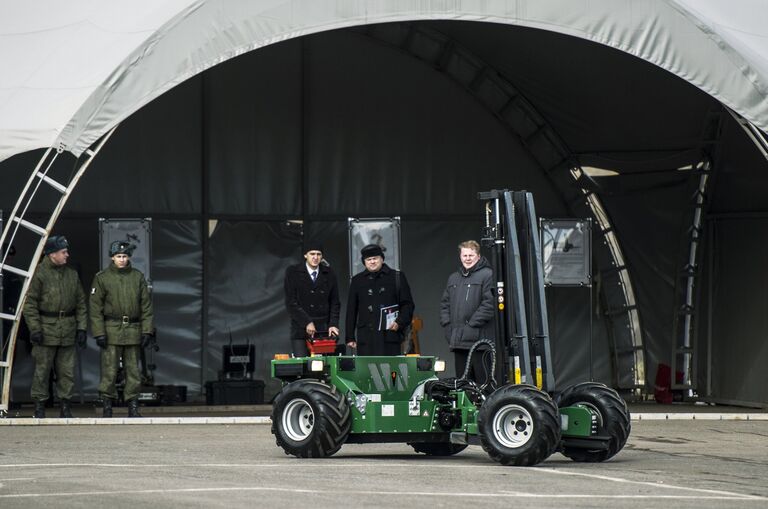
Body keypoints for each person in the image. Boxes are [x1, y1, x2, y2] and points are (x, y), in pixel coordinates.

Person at [23, 235, 87, 418]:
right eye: (63, 252)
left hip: (67, 328)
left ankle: (65, 406)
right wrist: (34, 329)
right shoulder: (39, 274)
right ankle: (39, 406)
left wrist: (82, 328)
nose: (67, 255)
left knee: (66, 371)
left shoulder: (72, 274)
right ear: (52, 254)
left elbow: (81, 304)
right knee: (42, 370)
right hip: (45, 329)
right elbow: (30, 305)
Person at [90, 241, 154, 418]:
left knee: (133, 370)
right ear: (112, 257)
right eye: (118, 256)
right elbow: (95, 308)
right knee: (109, 370)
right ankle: (107, 405)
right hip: (111, 329)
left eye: (125, 256)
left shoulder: (137, 277)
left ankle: (133, 406)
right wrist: (99, 332)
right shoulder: (102, 278)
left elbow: (146, 306)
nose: (122, 259)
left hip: (133, 328)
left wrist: (147, 331)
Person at [440, 240, 495, 384]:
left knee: (483, 383)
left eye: (471, 255)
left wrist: (471, 325)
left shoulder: (488, 275)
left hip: (480, 342)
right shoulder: (453, 278)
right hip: (458, 342)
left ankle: (484, 407)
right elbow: (444, 304)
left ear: (478, 256)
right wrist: (447, 326)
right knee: (463, 383)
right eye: (465, 255)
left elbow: (490, 304)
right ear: (460, 256)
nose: (468, 258)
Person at [346, 244, 414, 356]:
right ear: (364, 262)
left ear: (382, 259)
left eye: (375, 258)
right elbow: (351, 310)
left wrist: (399, 322)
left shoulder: (397, 277)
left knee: (391, 371)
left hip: (390, 335)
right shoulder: (357, 280)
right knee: (367, 371)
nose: (372, 262)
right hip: (366, 338)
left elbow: (408, 305)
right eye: (369, 259)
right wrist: (350, 337)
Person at [283, 241, 341, 356]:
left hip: (323, 329)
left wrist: (333, 324)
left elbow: (335, 302)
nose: (315, 257)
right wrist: (307, 322)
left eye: (319, 254)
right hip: (300, 328)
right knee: (302, 366)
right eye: (312, 254)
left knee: (322, 367)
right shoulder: (293, 272)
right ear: (305, 255)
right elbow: (291, 302)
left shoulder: (329, 273)